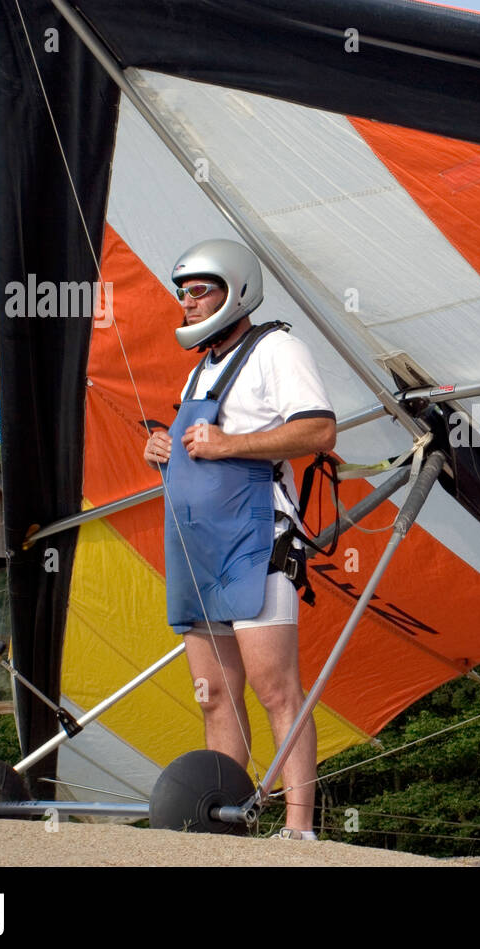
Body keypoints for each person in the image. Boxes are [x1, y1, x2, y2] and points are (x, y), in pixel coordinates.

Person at [142, 238, 336, 839]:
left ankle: (300, 830)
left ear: (237, 290)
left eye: (200, 291)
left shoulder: (277, 348)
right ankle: (226, 826)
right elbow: (199, 450)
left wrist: (228, 445)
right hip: (195, 549)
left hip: (256, 542)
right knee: (213, 695)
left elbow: (319, 430)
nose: (188, 302)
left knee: (275, 687)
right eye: (183, 293)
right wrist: (163, 453)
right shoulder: (202, 365)